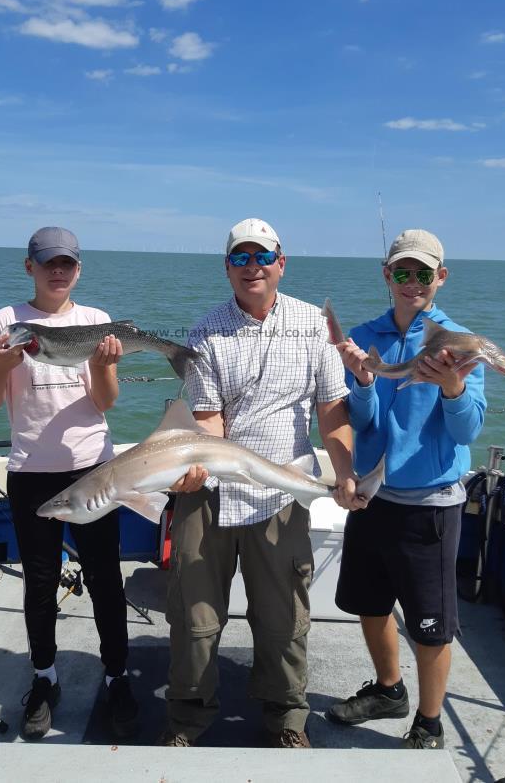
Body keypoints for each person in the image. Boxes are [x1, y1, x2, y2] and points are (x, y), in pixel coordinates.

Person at [159, 218, 360, 749]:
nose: (253, 267)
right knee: (196, 617)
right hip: (212, 494)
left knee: (283, 617)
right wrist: (197, 465)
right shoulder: (206, 332)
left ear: (281, 262)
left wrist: (345, 474)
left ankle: (287, 719)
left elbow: (332, 412)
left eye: (262, 256)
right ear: (227, 268)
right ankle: (186, 718)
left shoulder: (314, 325)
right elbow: (207, 420)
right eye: (240, 258)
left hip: (283, 487)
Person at [0, 226, 138, 741]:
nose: (58, 272)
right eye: (48, 263)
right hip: (30, 473)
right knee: (40, 585)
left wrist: (106, 366)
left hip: (93, 468)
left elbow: (105, 403)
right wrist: (1, 364)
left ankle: (117, 675)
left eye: (67, 263)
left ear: (79, 269)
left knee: (106, 580)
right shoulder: (6, 321)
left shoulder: (95, 322)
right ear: (29, 267)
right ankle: (44, 676)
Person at [328, 229, 486, 749]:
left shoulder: (459, 343)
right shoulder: (363, 335)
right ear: (387, 275)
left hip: (431, 508)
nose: (412, 282)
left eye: (423, 273)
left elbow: (467, 432)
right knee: (370, 605)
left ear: (440, 277)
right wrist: (366, 383)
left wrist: (453, 388)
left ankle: (430, 720)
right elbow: (364, 422)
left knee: (431, 625)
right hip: (372, 499)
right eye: (403, 272)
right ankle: (389, 690)